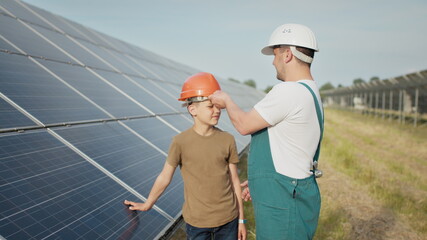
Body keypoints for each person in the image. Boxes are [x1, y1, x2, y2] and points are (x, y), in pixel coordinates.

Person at [209, 23, 323, 240]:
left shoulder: (289, 91)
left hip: (284, 198)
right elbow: (289, 147)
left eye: (276, 54)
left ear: (288, 54)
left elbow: (243, 125)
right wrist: (261, 184)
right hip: (288, 191)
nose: (273, 61)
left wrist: (226, 101)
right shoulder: (310, 90)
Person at [124, 72, 247, 240]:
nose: (217, 111)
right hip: (197, 223)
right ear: (193, 109)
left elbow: (234, 181)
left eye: (218, 107)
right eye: (210, 106)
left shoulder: (227, 139)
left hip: (229, 221)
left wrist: (241, 219)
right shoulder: (180, 142)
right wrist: (148, 203)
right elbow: (165, 177)